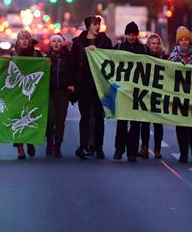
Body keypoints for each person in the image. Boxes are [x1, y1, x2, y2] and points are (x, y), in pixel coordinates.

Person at [70, 14, 113, 160]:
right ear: (88, 26)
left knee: (99, 117)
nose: (97, 26)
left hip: (100, 84)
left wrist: (99, 50)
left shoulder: (105, 42)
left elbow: (111, 59)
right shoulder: (78, 43)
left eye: (98, 23)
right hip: (84, 84)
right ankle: (83, 147)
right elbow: (73, 63)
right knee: (85, 117)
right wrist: (72, 83)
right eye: (94, 24)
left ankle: (99, 148)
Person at [168, 26, 192, 163]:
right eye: (181, 40)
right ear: (178, 42)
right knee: (181, 125)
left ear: (190, 41)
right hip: (179, 97)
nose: (184, 42)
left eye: (186, 39)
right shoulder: (172, 58)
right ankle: (183, 152)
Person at [114, 22, 146, 162]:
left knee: (135, 124)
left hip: (137, 91)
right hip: (122, 90)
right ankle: (119, 149)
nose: (131, 37)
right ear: (125, 35)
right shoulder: (120, 47)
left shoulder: (143, 49)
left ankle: (131, 151)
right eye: (129, 34)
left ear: (136, 35)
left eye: (133, 34)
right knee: (122, 122)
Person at [11, 30, 42, 160]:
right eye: (21, 38)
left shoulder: (37, 54)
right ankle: (20, 149)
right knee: (17, 118)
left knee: (30, 116)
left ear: (30, 41)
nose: (24, 40)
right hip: (17, 93)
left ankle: (30, 141)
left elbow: (43, 69)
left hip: (32, 93)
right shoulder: (13, 54)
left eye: (26, 38)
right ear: (17, 41)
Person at [45, 34, 74, 158]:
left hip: (63, 92)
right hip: (50, 92)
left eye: (58, 41)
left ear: (62, 43)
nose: (56, 44)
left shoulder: (68, 57)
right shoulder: (47, 58)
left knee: (60, 121)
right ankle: (50, 142)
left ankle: (58, 146)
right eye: (54, 41)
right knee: (50, 119)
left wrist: (71, 84)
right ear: (51, 44)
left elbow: (73, 71)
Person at [141, 33, 167, 158]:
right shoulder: (143, 56)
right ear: (148, 44)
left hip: (159, 94)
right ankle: (144, 147)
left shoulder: (164, 57)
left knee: (158, 123)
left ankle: (157, 148)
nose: (155, 46)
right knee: (145, 122)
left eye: (157, 43)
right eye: (153, 43)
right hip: (146, 93)